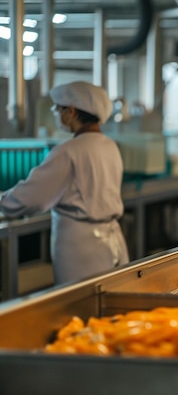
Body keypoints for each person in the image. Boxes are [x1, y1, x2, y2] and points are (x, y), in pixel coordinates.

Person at [0, 81, 129, 285]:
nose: (57, 115)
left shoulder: (68, 151)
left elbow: (32, 197)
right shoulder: (109, 146)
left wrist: (4, 201)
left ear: (72, 112)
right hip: (113, 241)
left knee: (80, 308)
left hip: (81, 248)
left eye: (58, 109)